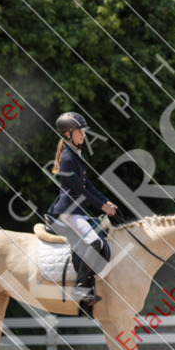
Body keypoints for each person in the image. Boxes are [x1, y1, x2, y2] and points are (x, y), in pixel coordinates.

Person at [46, 111, 118, 311]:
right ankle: (80, 287)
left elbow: (89, 185)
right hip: (69, 211)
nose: (83, 135)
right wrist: (101, 206)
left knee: (101, 237)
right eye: (80, 132)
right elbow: (79, 189)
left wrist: (105, 200)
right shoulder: (67, 158)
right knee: (94, 242)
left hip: (79, 210)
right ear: (68, 134)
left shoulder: (76, 154)